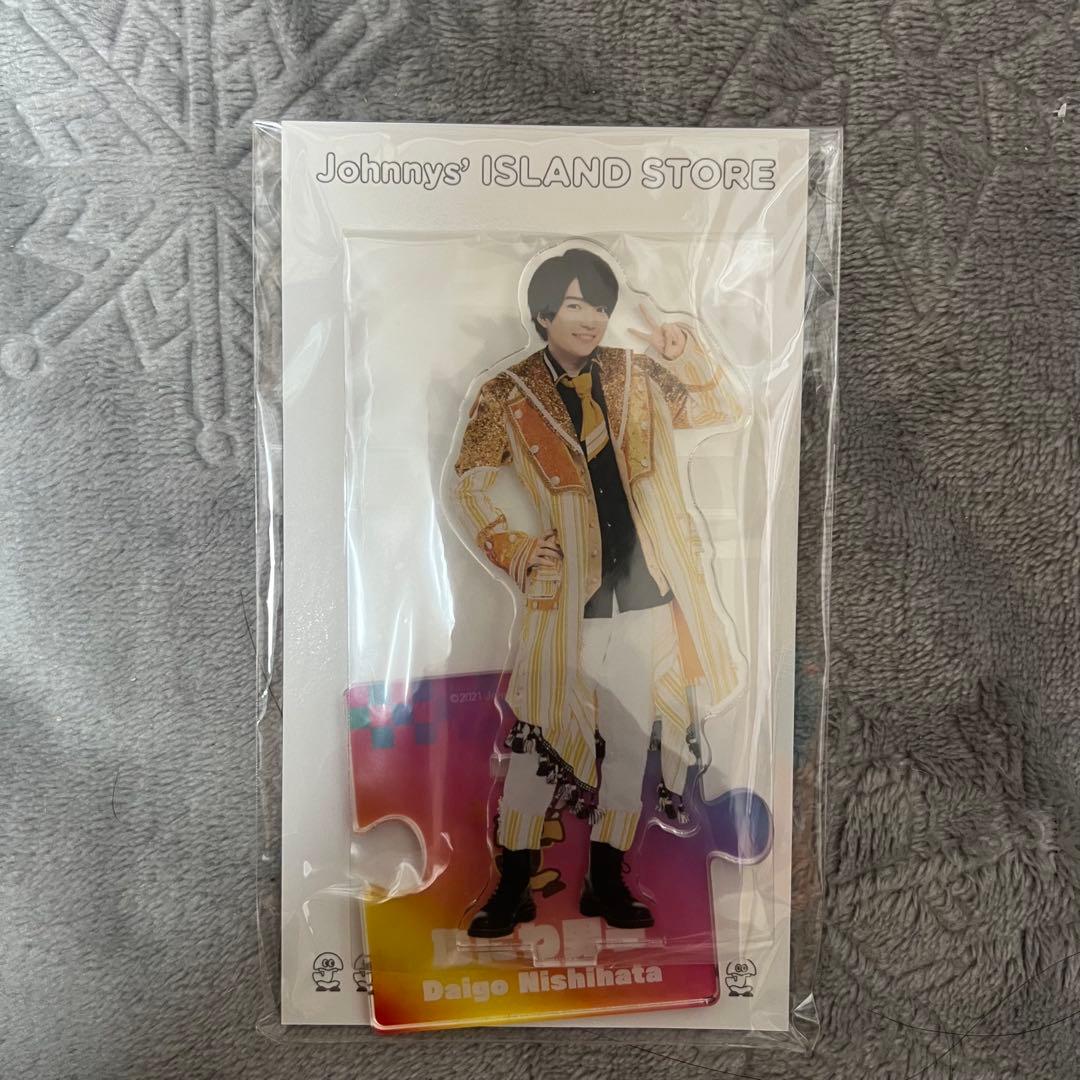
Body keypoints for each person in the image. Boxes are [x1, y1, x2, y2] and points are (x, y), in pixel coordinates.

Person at [451, 247, 745, 938]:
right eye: (577, 304)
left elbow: (721, 405)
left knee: (629, 741)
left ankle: (606, 881)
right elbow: (468, 479)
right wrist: (513, 547)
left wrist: (684, 353)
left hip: (645, 593)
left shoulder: (634, 374)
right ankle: (512, 884)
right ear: (544, 313)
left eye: (601, 307)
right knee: (538, 740)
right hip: (564, 603)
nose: (592, 319)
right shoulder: (507, 392)